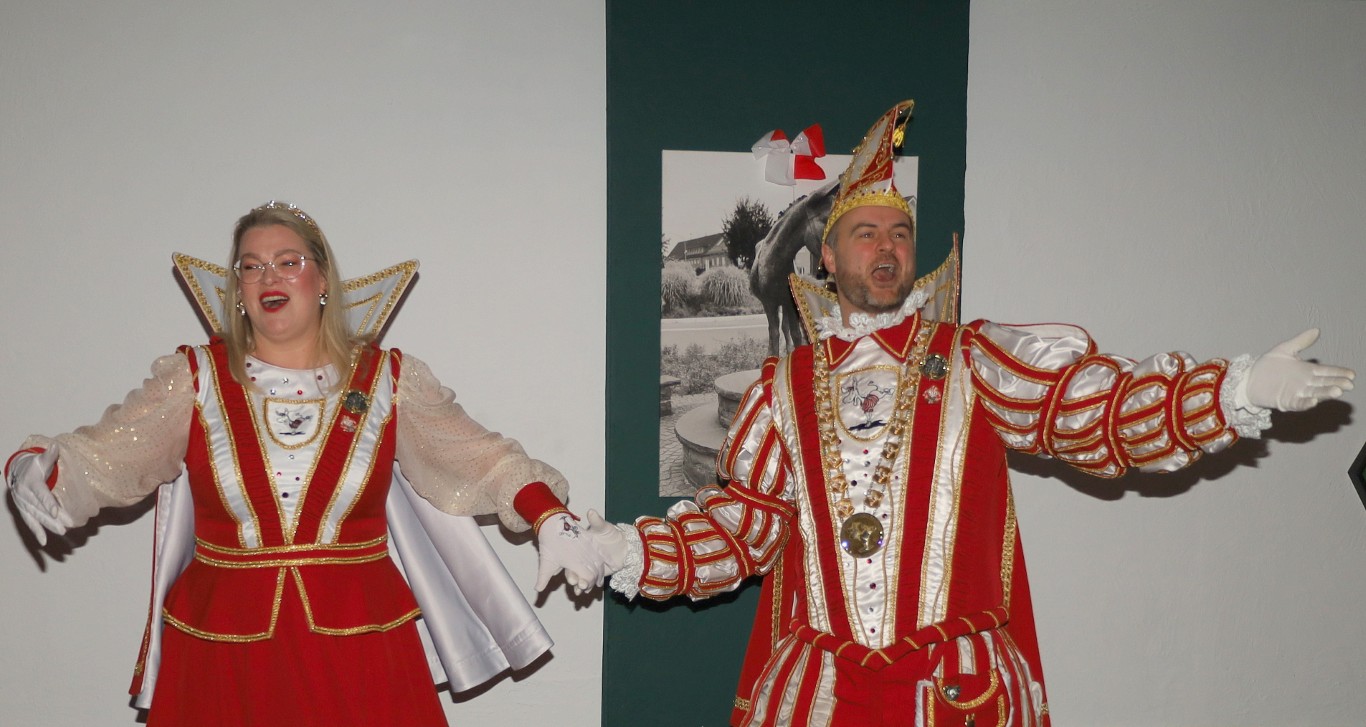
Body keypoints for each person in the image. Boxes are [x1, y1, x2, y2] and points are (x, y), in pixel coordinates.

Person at [584, 100, 1356, 726]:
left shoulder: (976, 359)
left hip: (956, 693)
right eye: (865, 234)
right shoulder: (780, 389)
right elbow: (741, 528)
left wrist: (1236, 391)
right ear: (828, 256)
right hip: (821, 694)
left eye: (900, 233)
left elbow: (1097, 410)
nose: (887, 249)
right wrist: (623, 549)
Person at [5, 201, 612, 725]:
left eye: (287, 261)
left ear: (323, 279)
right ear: (238, 289)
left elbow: (480, 460)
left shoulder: (388, 381)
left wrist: (548, 517)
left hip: (362, 648)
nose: (268, 276)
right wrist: (33, 468)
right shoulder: (194, 380)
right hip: (223, 652)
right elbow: (103, 456)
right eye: (251, 266)